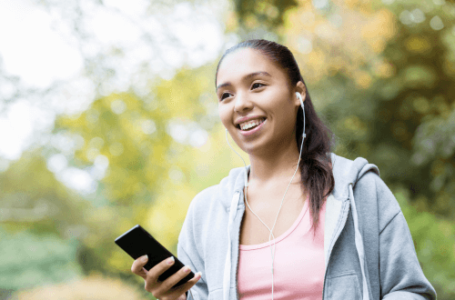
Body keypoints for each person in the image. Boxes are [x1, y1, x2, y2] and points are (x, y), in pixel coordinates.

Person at [131, 39, 437, 300]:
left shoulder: (356, 190)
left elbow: (409, 290)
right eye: (226, 95)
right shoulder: (206, 212)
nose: (240, 104)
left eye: (257, 86)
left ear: (297, 93)